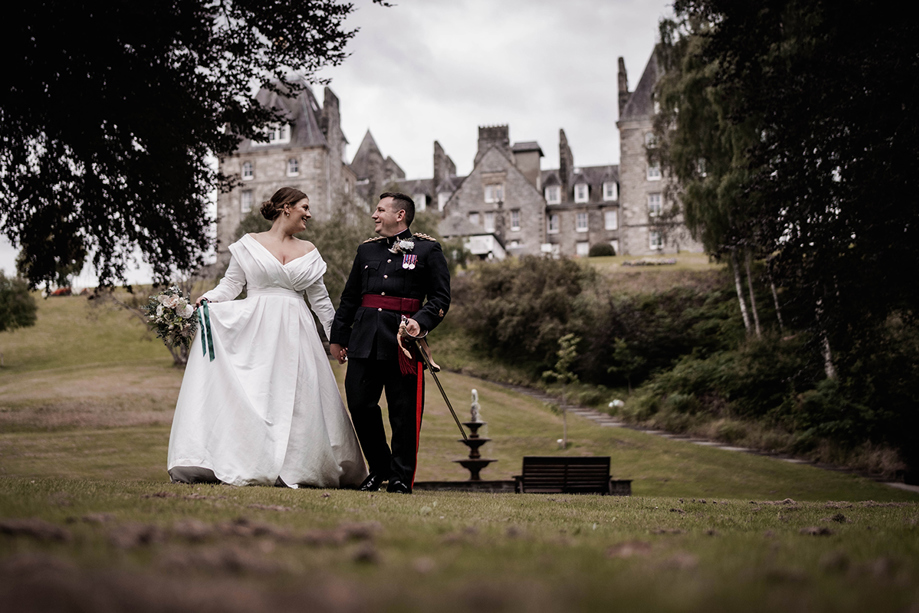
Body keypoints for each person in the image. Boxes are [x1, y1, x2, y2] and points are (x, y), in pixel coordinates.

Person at [167, 187, 368, 488]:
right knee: (258, 395)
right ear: (286, 208)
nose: (309, 214)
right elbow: (230, 285)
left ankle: (299, 467)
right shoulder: (249, 245)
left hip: (296, 333)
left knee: (299, 397)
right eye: (304, 207)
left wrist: (337, 338)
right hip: (256, 331)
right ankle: (247, 460)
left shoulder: (310, 251)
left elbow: (322, 302)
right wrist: (206, 301)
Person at [329, 192, 451, 494]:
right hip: (364, 341)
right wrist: (338, 337)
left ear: (400, 215)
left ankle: (400, 478)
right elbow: (349, 298)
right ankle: (380, 467)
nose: (374, 214)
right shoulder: (366, 251)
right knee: (359, 403)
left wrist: (420, 322)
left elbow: (440, 298)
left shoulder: (428, 249)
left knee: (404, 413)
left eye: (380, 209)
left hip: (404, 346)